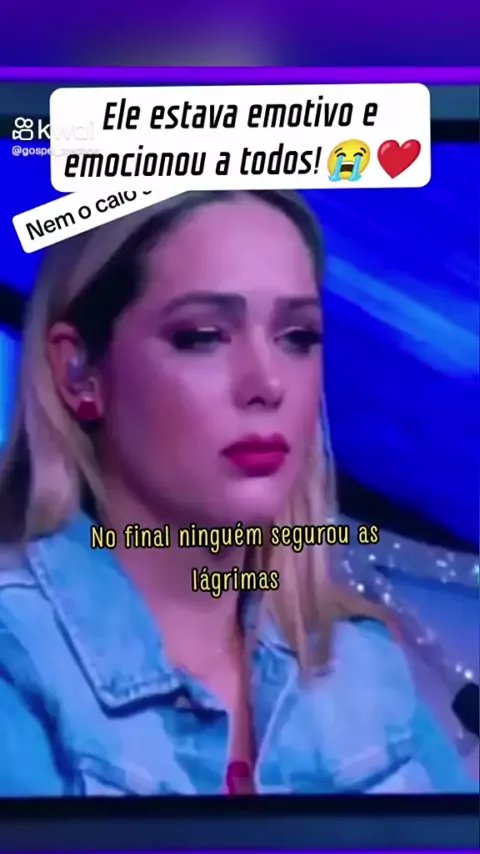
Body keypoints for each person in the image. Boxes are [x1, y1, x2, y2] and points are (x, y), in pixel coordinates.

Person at [0, 190, 475, 796]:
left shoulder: (363, 665)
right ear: (78, 373)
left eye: (298, 336)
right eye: (203, 335)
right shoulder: (18, 664)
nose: (268, 383)